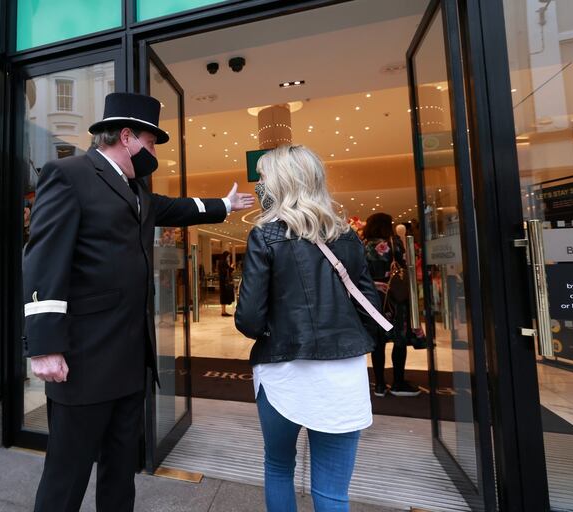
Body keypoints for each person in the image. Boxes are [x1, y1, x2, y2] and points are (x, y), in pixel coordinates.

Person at [23, 92, 255, 512]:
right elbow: (43, 261)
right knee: (66, 477)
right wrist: (44, 346)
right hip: (85, 361)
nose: (154, 155)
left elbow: (176, 208)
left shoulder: (136, 190)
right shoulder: (69, 174)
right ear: (126, 136)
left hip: (131, 364)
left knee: (120, 473)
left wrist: (224, 204)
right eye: (151, 144)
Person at [236, 144, 382, 512]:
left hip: (283, 372)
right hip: (343, 375)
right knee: (332, 493)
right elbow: (370, 309)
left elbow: (249, 319)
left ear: (282, 182)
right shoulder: (348, 237)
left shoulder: (265, 235)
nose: (260, 185)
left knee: (279, 467)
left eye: (265, 177)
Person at [362, 212, 421, 397]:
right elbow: (406, 264)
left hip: (374, 299)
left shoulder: (363, 245)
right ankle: (398, 382)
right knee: (399, 340)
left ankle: (379, 385)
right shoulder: (394, 242)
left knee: (378, 342)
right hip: (395, 297)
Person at [218, 250, 235, 316]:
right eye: (228, 256)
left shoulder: (221, 262)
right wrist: (231, 267)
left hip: (222, 282)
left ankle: (223, 311)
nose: (228, 258)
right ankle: (223, 312)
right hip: (225, 282)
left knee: (223, 296)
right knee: (224, 296)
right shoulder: (223, 262)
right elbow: (226, 272)